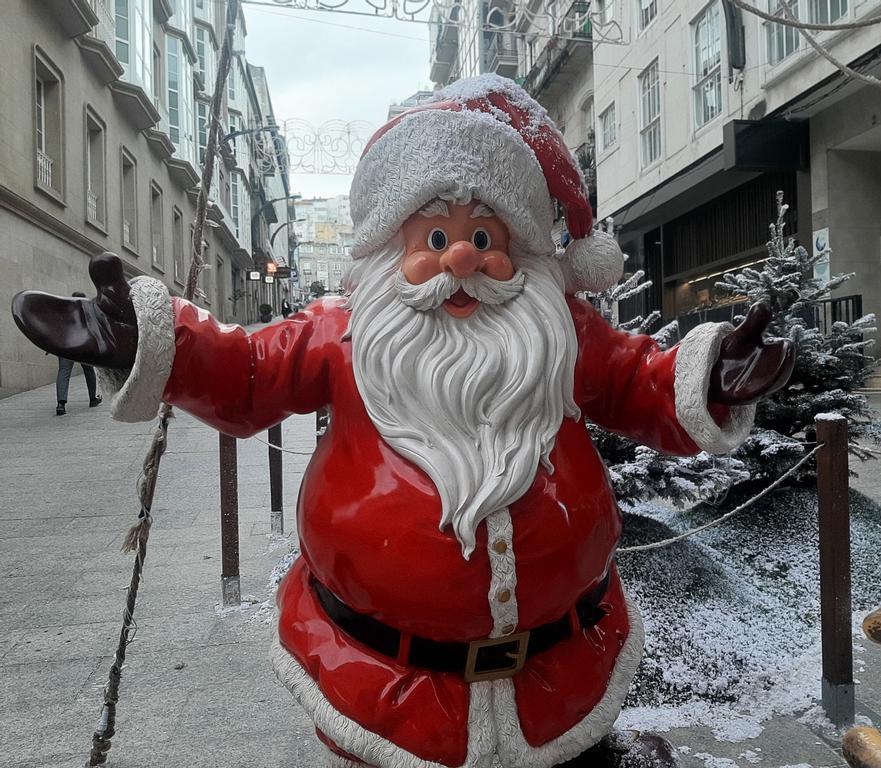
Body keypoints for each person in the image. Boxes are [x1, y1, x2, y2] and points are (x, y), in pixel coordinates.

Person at [11, 75, 794, 768]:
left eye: (484, 239)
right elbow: (245, 371)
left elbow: (637, 380)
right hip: (378, 682)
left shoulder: (559, 332)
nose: (461, 260)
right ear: (391, 250)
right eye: (436, 238)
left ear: (518, 252)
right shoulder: (341, 335)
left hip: (564, 675)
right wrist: (151, 341)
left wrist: (709, 377)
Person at [54, 291, 102, 416]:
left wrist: (51, 346)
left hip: (66, 347)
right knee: (89, 371)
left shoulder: (64, 313)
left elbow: (56, 330)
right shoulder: (89, 313)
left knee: (63, 372)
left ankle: (61, 404)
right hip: (83, 348)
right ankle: (92, 398)